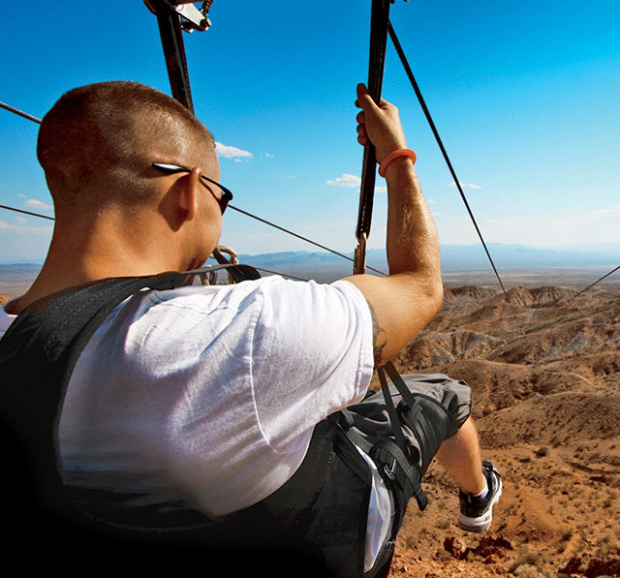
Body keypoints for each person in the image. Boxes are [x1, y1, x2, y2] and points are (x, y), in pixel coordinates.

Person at [0, 81, 501, 576]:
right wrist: (395, 154)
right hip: (335, 539)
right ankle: (478, 497)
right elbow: (420, 285)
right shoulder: (248, 331)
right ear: (187, 191)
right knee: (445, 392)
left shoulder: (13, 346)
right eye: (222, 195)